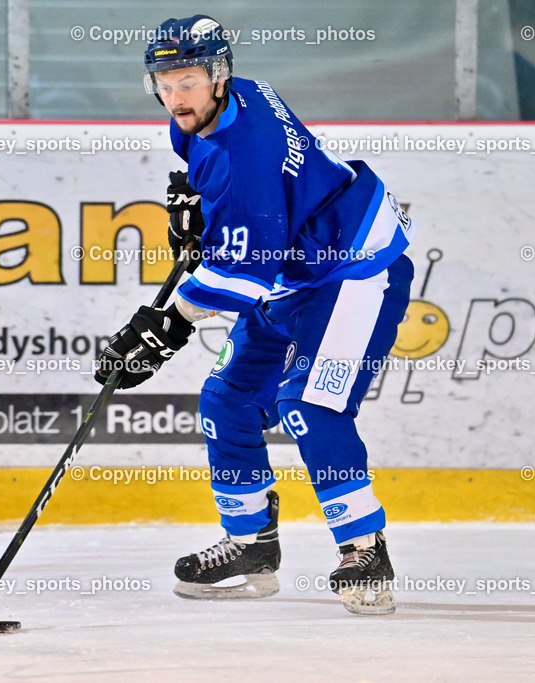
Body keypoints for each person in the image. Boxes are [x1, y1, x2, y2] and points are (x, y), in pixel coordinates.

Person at [95, 14, 415, 616]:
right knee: (227, 399)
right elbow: (246, 229)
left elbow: (247, 271)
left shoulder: (247, 152)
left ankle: (364, 548)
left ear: (218, 75)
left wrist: (166, 326)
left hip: (352, 269)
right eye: (163, 82)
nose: (174, 95)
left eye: (186, 79)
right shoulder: (225, 102)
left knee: (308, 405)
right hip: (296, 269)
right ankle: (250, 544)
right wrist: (200, 208)